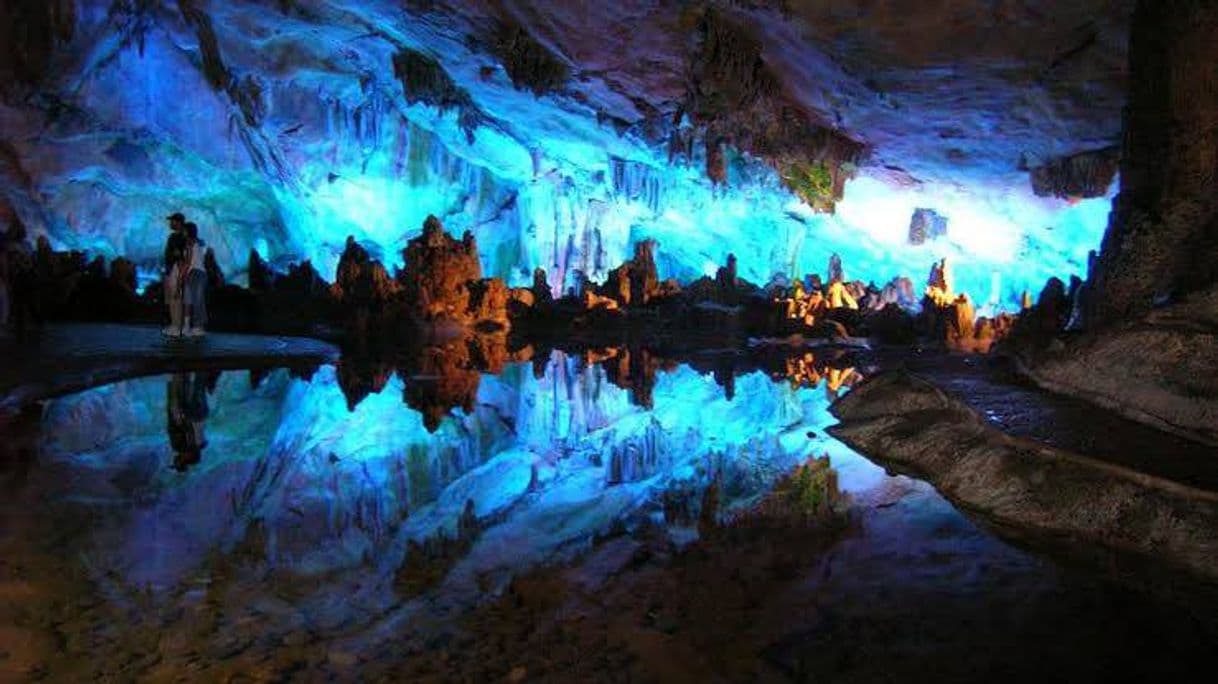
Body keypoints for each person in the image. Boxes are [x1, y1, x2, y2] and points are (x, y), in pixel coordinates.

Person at [162, 213, 188, 337]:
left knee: (175, 298)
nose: (170, 223)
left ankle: (176, 326)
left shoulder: (178, 237)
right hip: (172, 268)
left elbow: (179, 255)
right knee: (173, 298)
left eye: (172, 221)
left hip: (175, 268)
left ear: (179, 222)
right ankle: (175, 324)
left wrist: (178, 270)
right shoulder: (178, 236)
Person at [182, 222, 208, 337]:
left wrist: (182, 274)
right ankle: (189, 326)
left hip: (196, 272)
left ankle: (196, 326)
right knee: (189, 299)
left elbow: (188, 260)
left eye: (184, 230)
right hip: (194, 272)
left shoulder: (191, 242)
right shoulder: (197, 242)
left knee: (196, 299)